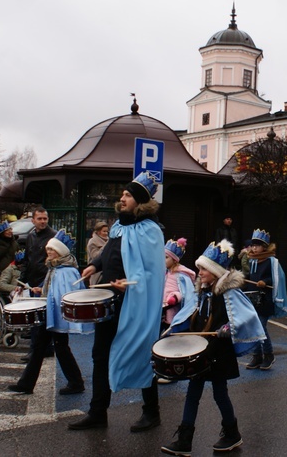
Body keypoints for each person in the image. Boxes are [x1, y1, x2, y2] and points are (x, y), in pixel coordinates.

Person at [69, 171, 165, 432]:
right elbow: (111, 253)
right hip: (109, 300)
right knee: (100, 354)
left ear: (140, 201)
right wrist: (93, 265)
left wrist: (130, 282)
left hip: (134, 302)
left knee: (143, 353)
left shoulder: (150, 230)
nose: (122, 198)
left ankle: (151, 412)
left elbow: (153, 271)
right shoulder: (119, 226)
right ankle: (98, 412)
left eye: (128, 195)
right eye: (122, 194)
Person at [161, 239, 265, 455]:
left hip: (219, 353)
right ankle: (185, 440)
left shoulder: (229, 293)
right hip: (201, 352)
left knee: (220, 393)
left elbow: (246, 316)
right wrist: (175, 331)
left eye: (204, 269)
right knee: (193, 393)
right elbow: (190, 314)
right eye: (199, 268)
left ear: (216, 272)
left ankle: (232, 433)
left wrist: (228, 327)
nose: (199, 273)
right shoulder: (203, 293)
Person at [8, 230, 92, 394]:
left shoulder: (65, 270)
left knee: (57, 348)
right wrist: (42, 290)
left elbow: (65, 295)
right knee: (46, 348)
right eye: (48, 249)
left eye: (52, 250)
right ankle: (29, 383)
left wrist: (48, 296)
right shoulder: (56, 268)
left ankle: (74, 383)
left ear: (60, 251)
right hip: (51, 314)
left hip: (55, 315)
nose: (49, 252)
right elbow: (54, 290)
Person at [244, 229, 287, 370]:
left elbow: (277, 278)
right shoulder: (252, 260)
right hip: (253, 300)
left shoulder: (271, 261)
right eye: (252, 245)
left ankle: (269, 354)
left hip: (265, 300)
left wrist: (265, 281)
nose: (254, 248)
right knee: (253, 327)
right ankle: (257, 356)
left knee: (261, 327)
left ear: (265, 246)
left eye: (257, 245)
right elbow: (250, 278)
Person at [162, 238, 196, 331]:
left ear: (174, 260)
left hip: (174, 310)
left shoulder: (181, 275)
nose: (163, 260)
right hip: (163, 309)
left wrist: (175, 297)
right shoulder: (165, 272)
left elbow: (186, 293)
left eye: (166, 257)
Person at [86, 221, 109, 286]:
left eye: (107, 231)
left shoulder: (108, 240)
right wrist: (105, 246)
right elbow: (95, 257)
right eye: (104, 231)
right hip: (96, 274)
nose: (106, 233)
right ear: (98, 232)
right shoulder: (92, 242)